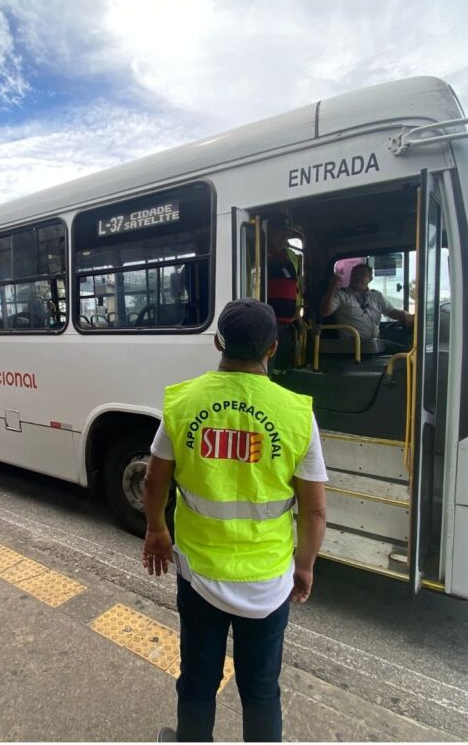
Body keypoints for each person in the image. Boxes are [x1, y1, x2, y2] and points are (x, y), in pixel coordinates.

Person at [142, 298, 328, 742]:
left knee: (198, 680)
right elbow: (315, 511)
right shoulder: (297, 413)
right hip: (268, 581)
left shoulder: (184, 402)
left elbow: (153, 480)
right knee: (261, 689)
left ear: (217, 342)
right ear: (273, 348)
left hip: (200, 574)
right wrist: (304, 566)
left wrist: (156, 529)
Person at [318, 262, 414, 349]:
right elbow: (324, 312)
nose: (357, 277)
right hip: (352, 346)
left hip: (375, 344)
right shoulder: (341, 294)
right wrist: (332, 287)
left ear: (370, 279)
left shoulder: (376, 296)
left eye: (362, 275)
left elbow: (393, 312)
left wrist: (406, 316)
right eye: (354, 274)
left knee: (407, 349)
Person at [265, 219, 303, 371]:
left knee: (282, 366)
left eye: (286, 234)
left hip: (288, 320)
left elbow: (296, 285)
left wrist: (297, 312)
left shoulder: (291, 255)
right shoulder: (258, 250)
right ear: (269, 231)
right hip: (268, 321)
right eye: (280, 233)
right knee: (267, 366)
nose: (284, 238)